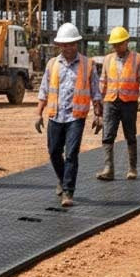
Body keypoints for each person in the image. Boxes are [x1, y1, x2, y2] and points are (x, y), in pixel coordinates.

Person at [35, 22, 102, 208]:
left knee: (71, 153)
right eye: (64, 44)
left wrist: (98, 114)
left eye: (71, 44)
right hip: (55, 116)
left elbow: (96, 93)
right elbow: (44, 90)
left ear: (77, 44)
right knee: (54, 151)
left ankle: (68, 191)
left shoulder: (88, 65)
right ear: (59, 45)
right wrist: (38, 114)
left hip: (76, 116)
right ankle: (62, 178)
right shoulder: (52, 64)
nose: (68, 48)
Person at [96, 26, 140, 181]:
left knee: (130, 135)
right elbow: (103, 81)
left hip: (129, 103)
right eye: (114, 45)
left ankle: (132, 168)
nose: (116, 47)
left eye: (119, 44)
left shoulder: (137, 59)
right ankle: (108, 169)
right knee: (108, 135)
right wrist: (99, 104)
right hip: (110, 101)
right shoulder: (108, 59)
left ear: (126, 42)